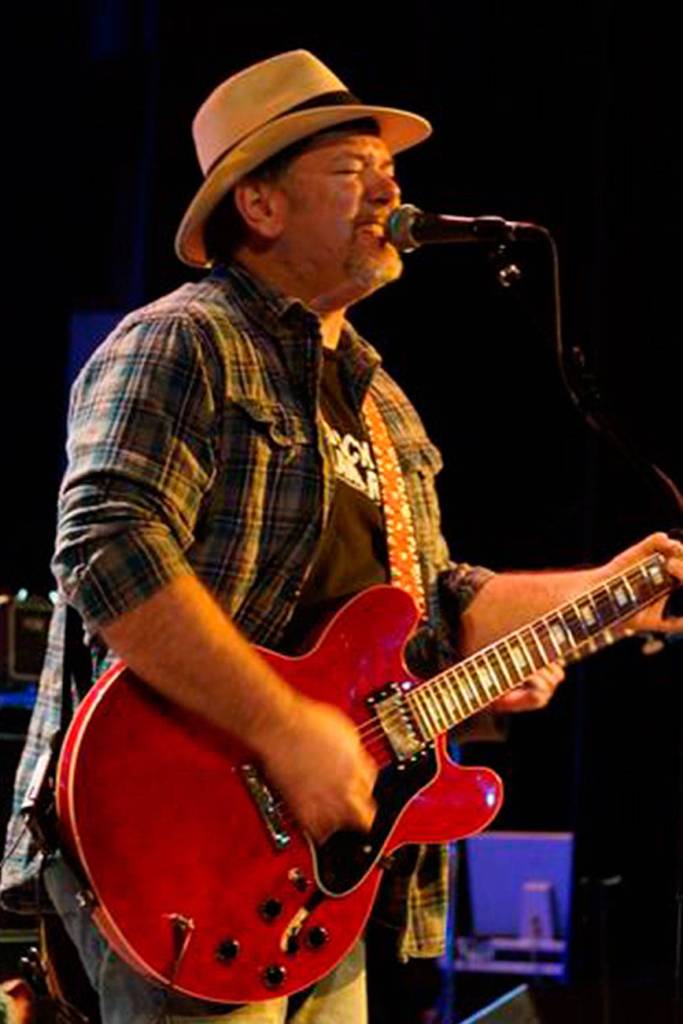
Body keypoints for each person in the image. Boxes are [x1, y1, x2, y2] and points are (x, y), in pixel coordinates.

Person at [2, 50, 681, 1024]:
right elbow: (107, 548)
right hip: (178, 846)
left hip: (321, 882)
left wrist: (612, 592)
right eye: (352, 169)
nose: (389, 191)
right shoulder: (182, 340)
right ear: (260, 205)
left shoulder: (384, 404)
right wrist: (286, 731)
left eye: (389, 171)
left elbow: (437, 606)